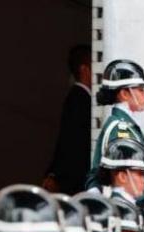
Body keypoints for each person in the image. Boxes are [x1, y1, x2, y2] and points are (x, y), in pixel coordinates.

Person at [85, 59, 144, 217]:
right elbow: (125, 182)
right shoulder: (120, 129)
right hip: (123, 214)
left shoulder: (125, 126)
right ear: (124, 93)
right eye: (141, 89)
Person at [43, 45, 93, 195]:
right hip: (76, 182)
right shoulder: (79, 99)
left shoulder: (79, 98)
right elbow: (70, 143)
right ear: (85, 70)